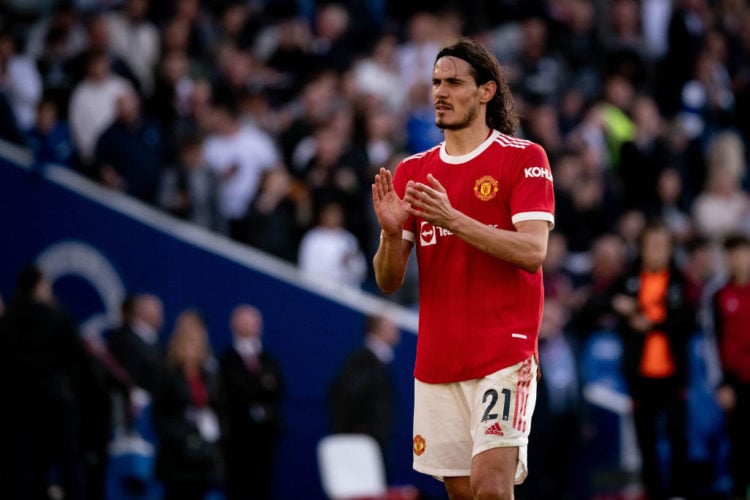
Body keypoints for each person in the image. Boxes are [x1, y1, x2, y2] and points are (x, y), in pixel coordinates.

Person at [371, 37, 555, 499]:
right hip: (438, 359)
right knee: (461, 494)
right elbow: (388, 281)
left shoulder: (523, 158)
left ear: (486, 91)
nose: (440, 92)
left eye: (454, 82)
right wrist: (393, 235)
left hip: (504, 354)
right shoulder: (413, 171)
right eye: (435, 82)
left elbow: (533, 251)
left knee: (490, 488)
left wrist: (453, 219)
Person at [607, 220, 695, 499]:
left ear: (671, 249)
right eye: (652, 245)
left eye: (662, 246)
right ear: (642, 248)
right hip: (640, 375)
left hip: (672, 374)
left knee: (677, 435)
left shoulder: (681, 281)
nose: (657, 251)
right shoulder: (628, 279)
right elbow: (595, 303)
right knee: (645, 440)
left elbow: (689, 321)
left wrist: (652, 325)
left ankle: (679, 492)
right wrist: (616, 305)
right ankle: (653, 492)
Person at [152, 309, 225, 500]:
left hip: (203, 455)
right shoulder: (168, 375)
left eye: (197, 344)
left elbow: (219, 407)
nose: (193, 349)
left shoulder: (209, 376)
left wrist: (214, 431)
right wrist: (182, 436)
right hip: (176, 455)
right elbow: (160, 414)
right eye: (188, 343)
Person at [218, 304, 284, 500]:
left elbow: (277, 388)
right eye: (247, 321)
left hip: (264, 438)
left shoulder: (269, 359)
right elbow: (232, 392)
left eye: (256, 321)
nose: (254, 326)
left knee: (262, 486)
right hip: (237, 438)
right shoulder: (226, 359)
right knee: (238, 486)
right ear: (234, 324)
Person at [329, 315, 400, 468]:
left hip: (373, 444)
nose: (396, 331)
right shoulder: (363, 361)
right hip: (362, 446)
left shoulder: (375, 363)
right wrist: (358, 433)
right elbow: (348, 396)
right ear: (378, 330)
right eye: (391, 327)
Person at [713, 233, 750, 500]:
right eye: (732, 254)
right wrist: (722, 383)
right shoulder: (719, 296)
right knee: (739, 451)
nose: (737, 260)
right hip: (735, 384)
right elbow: (712, 341)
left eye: (742, 253)